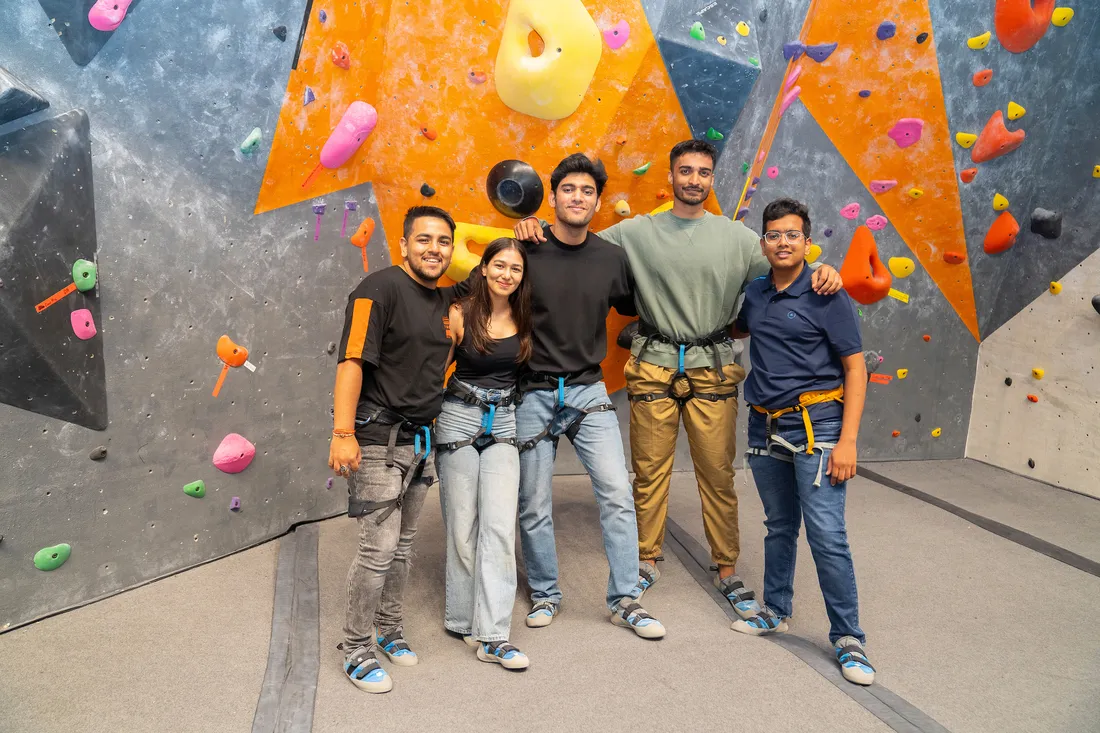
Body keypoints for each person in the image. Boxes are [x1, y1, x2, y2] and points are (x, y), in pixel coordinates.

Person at [515, 140, 843, 625]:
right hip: (653, 363)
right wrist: (533, 227)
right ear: (670, 177)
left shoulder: (737, 239)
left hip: (713, 366)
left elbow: (784, 268)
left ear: (712, 179)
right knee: (648, 473)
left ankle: (726, 567)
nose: (693, 179)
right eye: (684, 171)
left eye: (703, 172)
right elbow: (577, 240)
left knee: (718, 474)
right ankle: (645, 561)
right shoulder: (635, 232)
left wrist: (822, 272)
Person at [502, 153, 665, 639]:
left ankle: (626, 599)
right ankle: (547, 594)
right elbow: (491, 292)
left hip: (588, 390)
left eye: (587, 191)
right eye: (568, 189)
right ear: (552, 198)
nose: (578, 197)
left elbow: (636, 307)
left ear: (597, 201)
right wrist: (518, 231)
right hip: (532, 392)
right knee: (532, 502)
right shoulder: (525, 251)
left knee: (616, 493)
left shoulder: (611, 258)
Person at [730, 198, 874, 686]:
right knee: (779, 525)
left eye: (792, 235)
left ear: (807, 242)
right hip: (764, 426)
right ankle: (775, 608)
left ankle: (849, 638)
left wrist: (848, 441)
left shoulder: (826, 292)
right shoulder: (755, 293)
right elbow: (736, 327)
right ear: (764, 242)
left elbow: (856, 368)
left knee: (827, 535)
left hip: (819, 428)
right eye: (773, 235)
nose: (783, 242)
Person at [328, 205, 456, 694]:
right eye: (423, 240)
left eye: (443, 241)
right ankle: (357, 647)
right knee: (377, 548)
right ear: (403, 244)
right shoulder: (375, 290)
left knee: (403, 546)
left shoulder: (446, 298)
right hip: (378, 438)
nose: (434, 249)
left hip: (422, 442)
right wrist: (343, 433)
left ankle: (389, 628)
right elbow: (352, 363)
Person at [435, 238, 533, 670]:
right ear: (485, 267)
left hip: (505, 421)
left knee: (497, 525)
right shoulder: (459, 313)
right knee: (461, 525)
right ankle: (463, 618)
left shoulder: (525, 317)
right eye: (499, 265)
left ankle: (493, 634)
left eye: (515, 268)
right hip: (457, 417)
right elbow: (437, 369)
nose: (506, 274)